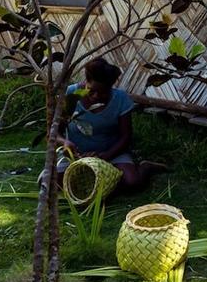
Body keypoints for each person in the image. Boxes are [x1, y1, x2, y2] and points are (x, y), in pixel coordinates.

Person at [56, 58, 165, 191]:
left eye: (103, 92)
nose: (96, 96)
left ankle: (145, 167)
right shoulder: (70, 94)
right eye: (92, 91)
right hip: (76, 154)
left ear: (110, 87)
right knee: (55, 184)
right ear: (86, 81)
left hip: (111, 152)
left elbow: (126, 136)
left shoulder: (121, 99)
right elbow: (54, 132)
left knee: (132, 182)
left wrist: (106, 156)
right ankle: (101, 183)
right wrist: (65, 143)